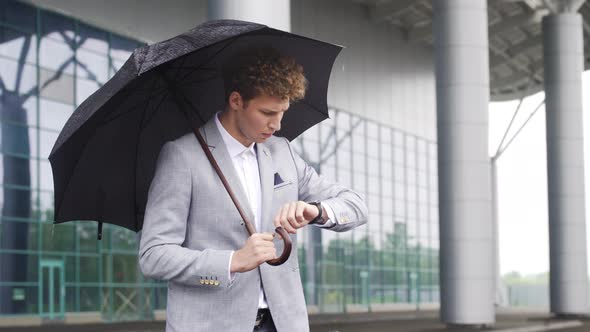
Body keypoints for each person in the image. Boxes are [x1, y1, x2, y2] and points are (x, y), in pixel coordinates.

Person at [138, 48, 368, 332]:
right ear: (236, 101)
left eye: (283, 112)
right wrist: (232, 261)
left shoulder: (281, 151)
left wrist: (316, 210)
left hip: (283, 324)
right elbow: (154, 256)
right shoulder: (182, 156)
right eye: (267, 113)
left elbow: (356, 206)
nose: (278, 124)